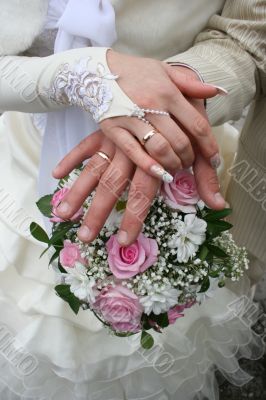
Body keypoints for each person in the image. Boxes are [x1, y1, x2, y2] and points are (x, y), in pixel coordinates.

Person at [0, 0, 265, 399]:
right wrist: (86, 76)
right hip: (23, 149)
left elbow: (248, 33)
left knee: (156, 354)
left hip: (173, 167)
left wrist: (171, 100)